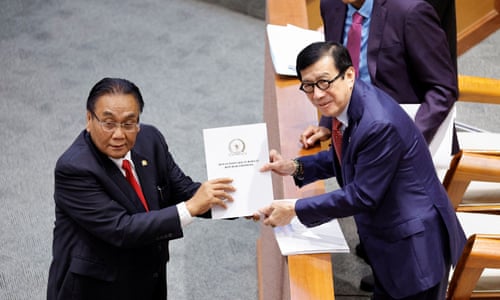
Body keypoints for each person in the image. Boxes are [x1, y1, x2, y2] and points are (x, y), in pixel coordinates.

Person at [258, 42, 466, 299]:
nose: (317, 95)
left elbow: (362, 195)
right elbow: (350, 157)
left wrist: (294, 209)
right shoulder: (350, 101)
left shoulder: (378, 124)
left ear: (349, 75)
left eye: (324, 82)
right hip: (391, 236)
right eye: (308, 86)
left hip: (415, 247)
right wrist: (295, 167)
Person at [47, 77, 235, 300]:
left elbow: (182, 190)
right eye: (108, 123)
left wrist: (246, 204)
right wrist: (190, 208)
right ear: (89, 119)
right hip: (98, 288)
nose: (119, 134)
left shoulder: (150, 139)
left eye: (128, 123)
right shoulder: (74, 168)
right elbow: (122, 228)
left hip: (147, 279)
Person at [300, 0, 458, 155]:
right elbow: (337, 72)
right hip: (356, 140)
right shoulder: (330, 5)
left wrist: (409, 140)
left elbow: (443, 88)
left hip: (406, 139)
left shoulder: (410, 11)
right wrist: (328, 122)